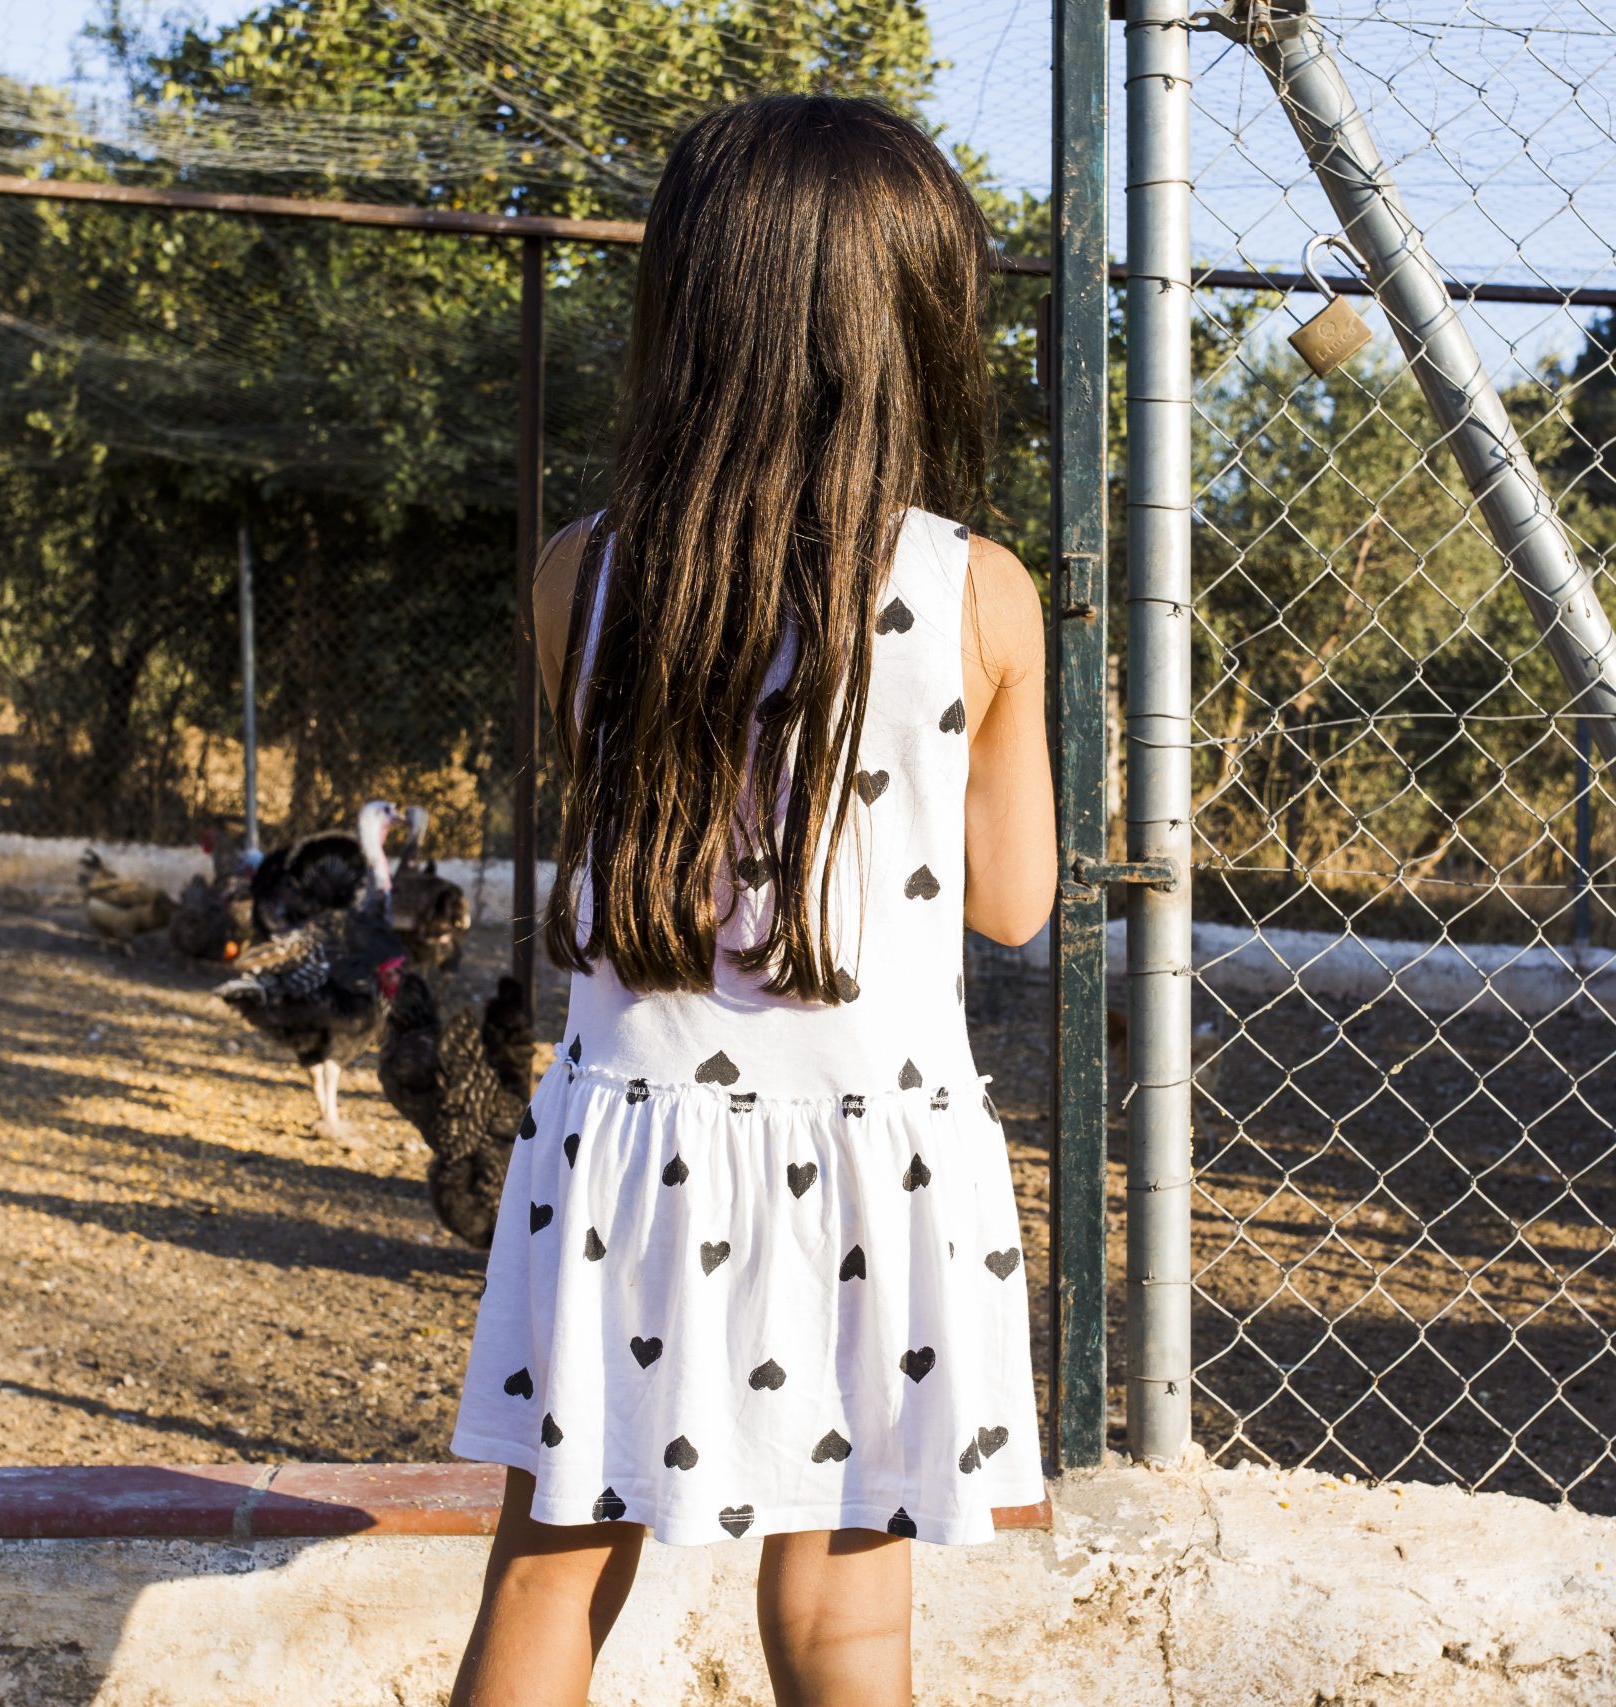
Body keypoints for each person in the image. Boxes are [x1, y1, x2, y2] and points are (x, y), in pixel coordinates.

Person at [447, 92, 1056, 1707]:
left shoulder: (582, 571)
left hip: (629, 1143)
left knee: (548, 1582)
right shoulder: (979, 590)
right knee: (847, 1622)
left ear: (686, 308)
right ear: (918, 322)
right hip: (874, 1155)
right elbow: (1013, 903)